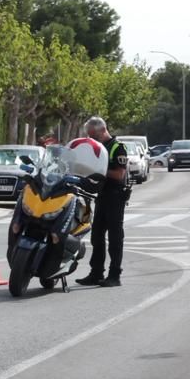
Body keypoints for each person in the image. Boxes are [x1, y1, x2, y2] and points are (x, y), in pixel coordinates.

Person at [75, 116, 129, 288]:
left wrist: (99, 170)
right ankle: (96, 273)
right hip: (101, 196)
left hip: (115, 196)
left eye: (93, 135)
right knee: (96, 236)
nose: (92, 138)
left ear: (103, 130)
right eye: (89, 135)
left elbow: (119, 174)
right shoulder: (97, 148)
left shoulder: (117, 148)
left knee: (115, 238)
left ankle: (114, 275)